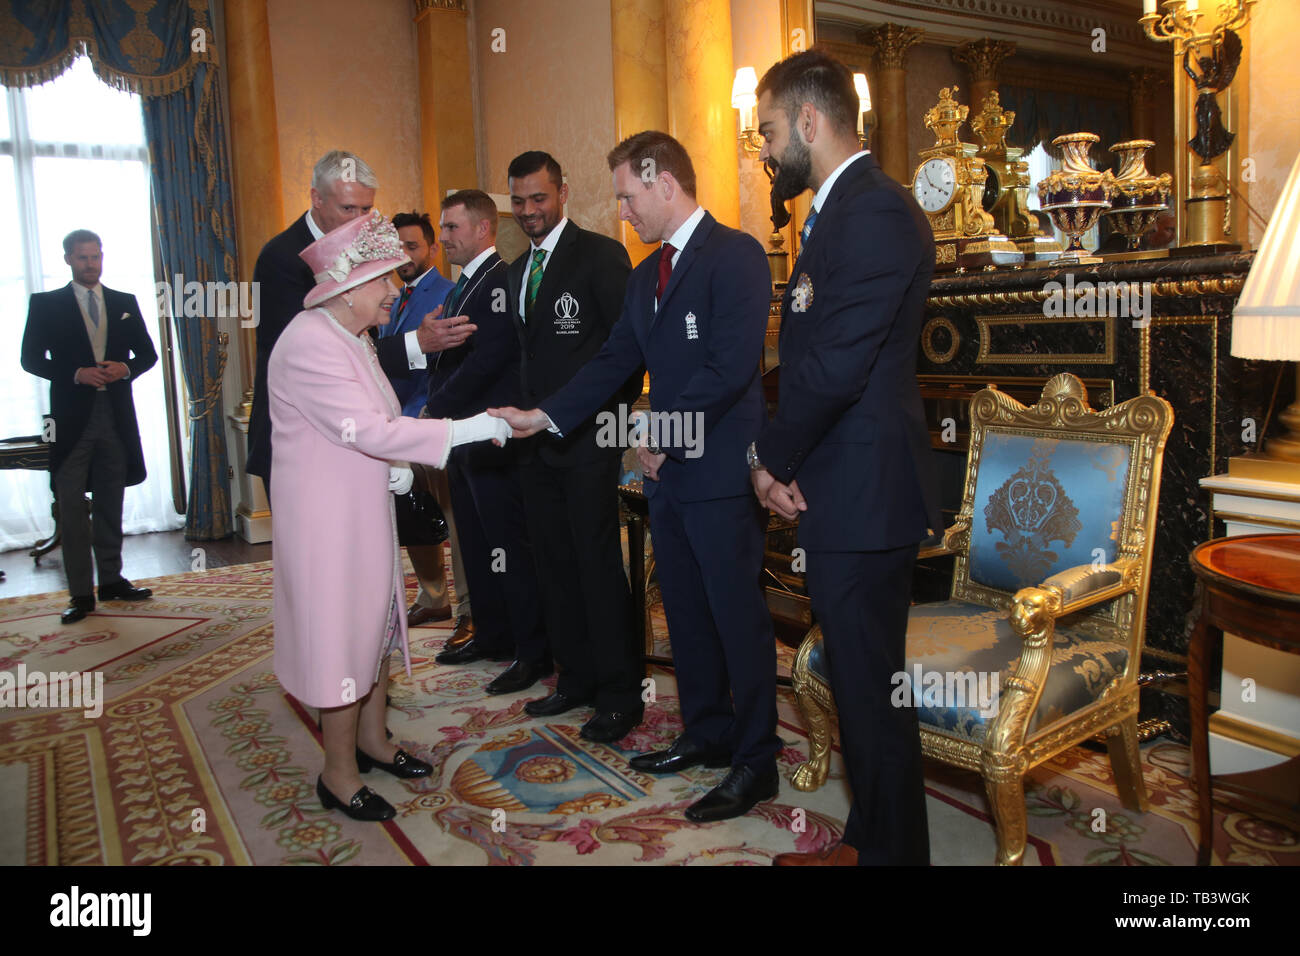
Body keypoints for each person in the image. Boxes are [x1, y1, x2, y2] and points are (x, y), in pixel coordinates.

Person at [492, 131, 779, 822]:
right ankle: (707, 733)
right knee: (683, 613)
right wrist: (543, 416)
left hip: (716, 472)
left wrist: (659, 430)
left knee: (735, 616)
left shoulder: (735, 255)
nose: (623, 210)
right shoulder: (646, 275)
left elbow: (731, 368)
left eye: (627, 194)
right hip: (667, 477)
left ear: (664, 183)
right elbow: (612, 361)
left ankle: (756, 760)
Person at [750, 50, 942, 866]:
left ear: (807, 120)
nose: (760, 150)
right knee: (864, 695)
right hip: (840, 488)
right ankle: (868, 842)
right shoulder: (838, 210)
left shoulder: (876, 212)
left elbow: (834, 368)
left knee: (873, 699)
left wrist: (768, 457)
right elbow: (813, 356)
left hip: (865, 496)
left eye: (764, 130)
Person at [270, 210, 509, 821]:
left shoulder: (348, 336)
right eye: (385, 281)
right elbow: (369, 428)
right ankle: (339, 772)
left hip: (359, 509)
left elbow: (371, 421)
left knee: (373, 625)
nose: (397, 290)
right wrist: (480, 426)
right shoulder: (308, 343)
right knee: (340, 640)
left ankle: (374, 743)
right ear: (350, 287)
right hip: (328, 525)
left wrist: (392, 466)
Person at [497, 150, 645, 729]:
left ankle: (619, 695)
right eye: (519, 201)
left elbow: (627, 356)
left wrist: (606, 425)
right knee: (554, 566)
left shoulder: (602, 257)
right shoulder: (515, 272)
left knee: (596, 566)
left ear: (563, 192)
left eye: (539, 198)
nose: (530, 210)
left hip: (588, 443)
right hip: (533, 449)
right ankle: (575, 677)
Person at [426, 190, 547, 694]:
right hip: (463, 437)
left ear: (482, 229)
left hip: (492, 435)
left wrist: (435, 409)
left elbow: (487, 361)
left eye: (452, 228)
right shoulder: (462, 285)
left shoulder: (499, 280)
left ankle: (529, 649)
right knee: (475, 542)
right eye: (442, 227)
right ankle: (492, 633)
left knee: (506, 546)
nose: (443, 238)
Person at [21, 229, 158, 624]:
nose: (90, 264)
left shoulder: (123, 302)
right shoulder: (46, 304)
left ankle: (113, 581)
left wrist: (125, 368)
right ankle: (81, 594)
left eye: (95, 256)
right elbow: (30, 359)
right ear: (68, 259)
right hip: (69, 421)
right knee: (71, 508)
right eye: (82, 258)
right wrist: (75, 374)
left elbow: (147, 353)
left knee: (111, 504)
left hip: (115, 418)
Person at [248, 150, 377, 497]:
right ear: (317, 199)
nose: (360, 220)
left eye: (367, 209)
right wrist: (415, 345)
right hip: (297, 439)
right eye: (348, 209)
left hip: (349, 433)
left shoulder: (363, 251)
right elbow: (308, 356)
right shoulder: (281, 258)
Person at [373, 210, 473, 647]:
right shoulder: (391, 296)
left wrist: (432, 414)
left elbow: (453, 365)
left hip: (434, 424)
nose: (405, 256)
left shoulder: (448, 293)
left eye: (413, 246)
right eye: (399, 248)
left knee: (455, 522)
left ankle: (471, 610)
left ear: (431, 248)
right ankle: (433, 596)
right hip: (394, 426)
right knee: (413, 513)